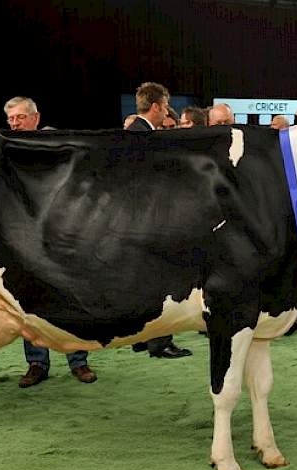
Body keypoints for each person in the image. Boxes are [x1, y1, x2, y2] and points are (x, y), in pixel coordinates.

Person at [0, 96, 97, 387]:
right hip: (23, 236)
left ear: (35, 118)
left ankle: (79, 361)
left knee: (70, 297)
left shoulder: (57, 145)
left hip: (62, 233)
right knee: (30, 301)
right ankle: (37, 363)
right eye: (11, 119)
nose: (15, 124)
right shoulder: (3, 148)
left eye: (20, 118)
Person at [126, 82, 193, 359]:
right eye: (164, 106)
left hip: (139, 218)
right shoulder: (143, 136)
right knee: (158, 282)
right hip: (150, 219)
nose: (165, 111)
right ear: (155, 106)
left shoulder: (135, 132)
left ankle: (144, 338)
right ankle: (159, 343)